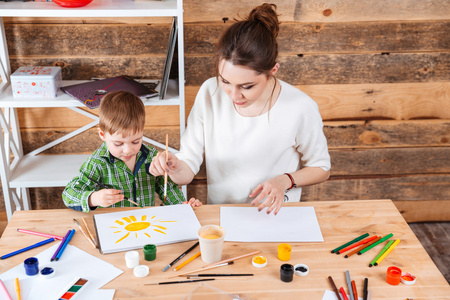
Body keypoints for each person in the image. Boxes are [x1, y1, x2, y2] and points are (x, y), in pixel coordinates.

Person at [150, 3, 330, 215]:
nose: (234, 96)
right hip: (223, 215)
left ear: (273, 70)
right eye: (225, 81)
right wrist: (174, 166)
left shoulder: (300, 107)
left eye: (247, 86)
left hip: (277, 216)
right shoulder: (209, 92)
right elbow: (187, 169)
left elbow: (321, 168)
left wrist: (285, 180)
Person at [62, 90, 201, 212]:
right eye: (118, 143)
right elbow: (68, 195)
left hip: (146, 223)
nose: (128, 150)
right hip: (114, 227)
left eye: (136, 141)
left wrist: (181, 205)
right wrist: (94, 198)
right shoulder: (98, 163)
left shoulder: (150, 156)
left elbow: (168, 188)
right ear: (103, 135)